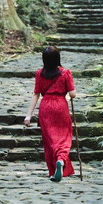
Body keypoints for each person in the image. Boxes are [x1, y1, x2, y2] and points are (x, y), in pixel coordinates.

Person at [24, 46, 77, 182]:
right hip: (60, 107)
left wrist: (28, 115)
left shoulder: (39, 74)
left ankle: (54, 171)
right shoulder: (66, 73)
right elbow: (72, 94)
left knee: (50, 141)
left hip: (46, 107)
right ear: (58, 58)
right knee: (64, 138)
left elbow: (36, 94)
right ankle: (61, 159)